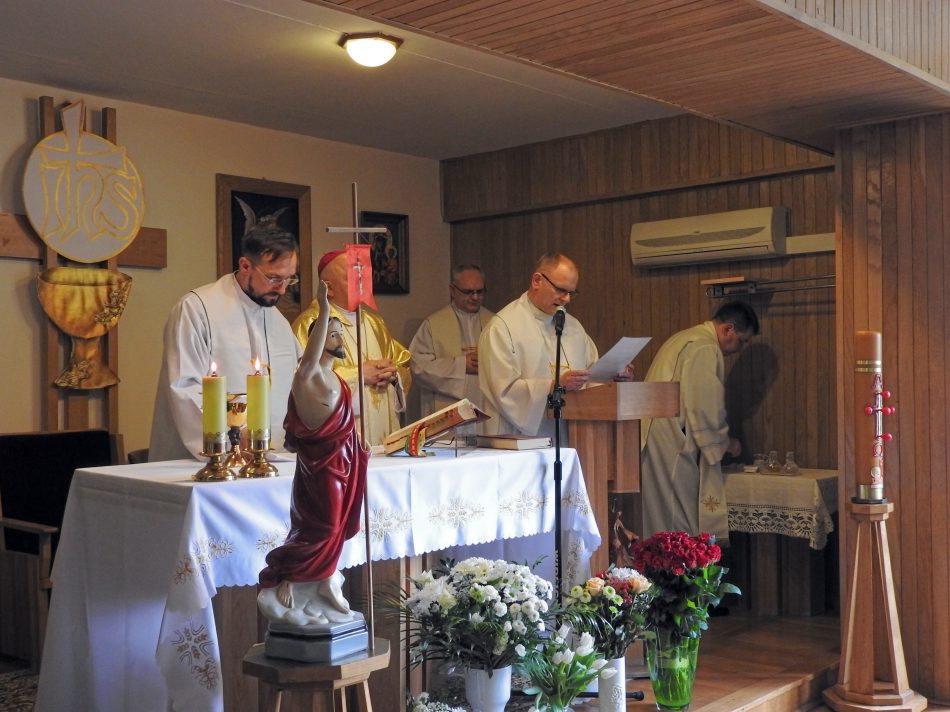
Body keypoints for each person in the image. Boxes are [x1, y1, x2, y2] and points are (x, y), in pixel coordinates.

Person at [257, 279, 369, 626]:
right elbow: (311, 356)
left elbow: (345, 423)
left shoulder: (339, 380)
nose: (339, 340)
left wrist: (359, 444)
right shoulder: (307, 375)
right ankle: (291, 575)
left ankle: (324, 579)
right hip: (320, 465)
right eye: (332, 335)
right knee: (325, 524)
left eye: (340, 335)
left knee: (337, 527)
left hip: (345, 460)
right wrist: (324, 307)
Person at [149, 225, 303, 461]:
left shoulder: (279, 323)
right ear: (245, 265)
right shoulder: (196, 310)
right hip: (199, 464)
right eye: (273, 278)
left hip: (273, 462)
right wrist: (235, 437)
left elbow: (298, 384)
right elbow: (184, 388)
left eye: (289, 279)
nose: (282, 289)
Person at [639, 301, 760, 544]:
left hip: (655, 436)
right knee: (678, 521)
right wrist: (724, 443)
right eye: (742, 341)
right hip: (673, 444)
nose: (740, 349)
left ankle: (660, 567)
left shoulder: (683, 338)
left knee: (658, 519)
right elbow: (704, 404)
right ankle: (677, 569)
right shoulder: (705, 347)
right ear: (728, 329)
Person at [292, 250, 412, 446]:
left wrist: (393, 375)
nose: (362, 283)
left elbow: (402, 362)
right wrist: (359, 375)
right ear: (329, 288)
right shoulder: (311, 324)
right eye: (353, 278)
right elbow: (304, 383)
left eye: (363, 276)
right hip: (341, 438)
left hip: (383, 430)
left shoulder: (375, 323)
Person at [478, 253, 600, 439]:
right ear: (537, 281)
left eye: (571, 293)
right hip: (519, 440)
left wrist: (613, 376)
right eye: (561, 290)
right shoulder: (502, 327)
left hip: (569, 436)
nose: (566, 299)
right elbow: (503, 391)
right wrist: (554, 386)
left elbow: (591, 373)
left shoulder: (574, 327)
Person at [409, 265, 494, 435]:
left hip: (486, 410)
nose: (475, 297)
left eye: (480, 292)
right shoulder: (433, 325)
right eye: (468, 292)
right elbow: (418, 366)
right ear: (452, 290)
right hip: (447, 412)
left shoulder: (495, 322)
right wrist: (461, 365)